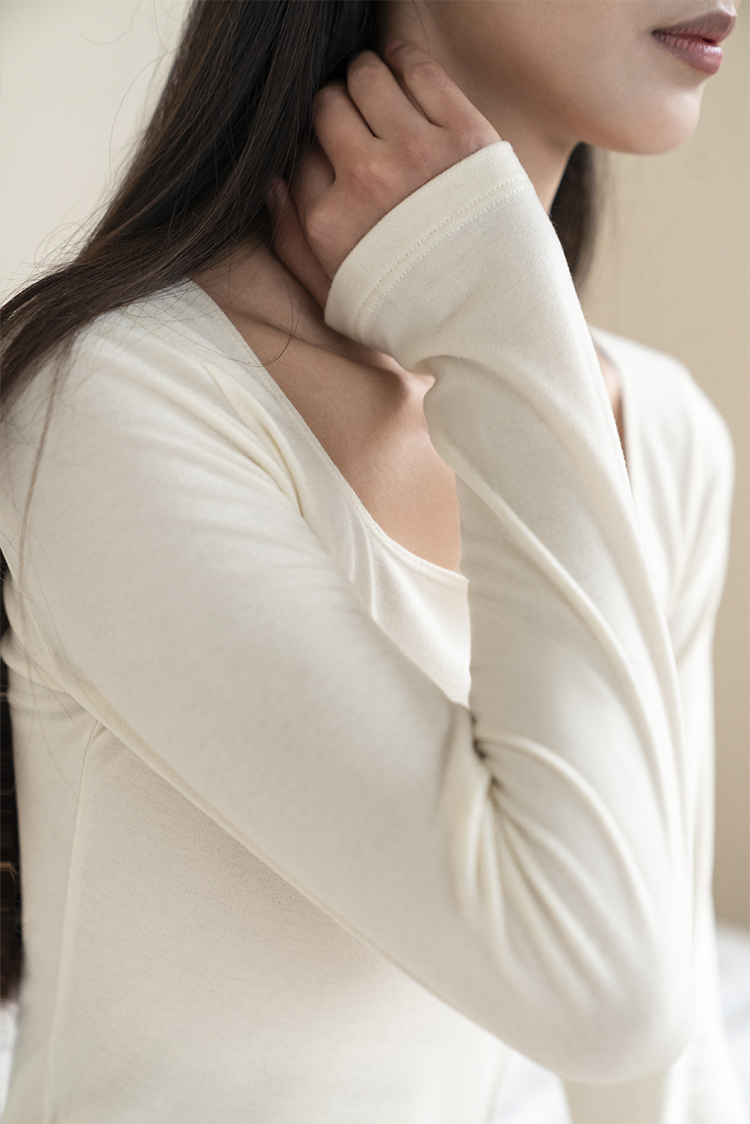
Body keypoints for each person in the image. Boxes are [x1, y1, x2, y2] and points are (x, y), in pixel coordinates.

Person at [0, 1, 745, 1121]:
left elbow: (660, 1069)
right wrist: (499, 308)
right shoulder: (121, 404)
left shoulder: (658, 434)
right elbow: (599, 993)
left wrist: (505, 320)